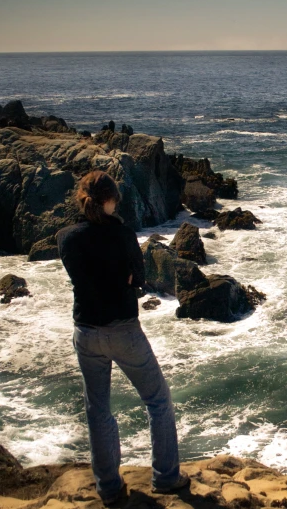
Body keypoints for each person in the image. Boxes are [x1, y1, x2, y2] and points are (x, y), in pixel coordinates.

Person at [57, 170, 189, 504]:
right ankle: (166, 477)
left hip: (86, 332)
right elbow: (139, 280)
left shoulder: (66, 239)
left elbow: (82, 276)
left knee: (97, 409)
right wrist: (127, 280)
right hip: (124, 331)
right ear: (109, 200)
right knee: (158, 400)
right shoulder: (123, 234)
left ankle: (109, 488)